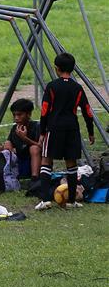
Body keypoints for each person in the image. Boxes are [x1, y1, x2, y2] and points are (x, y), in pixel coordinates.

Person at [36, 53, 96, 210]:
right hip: (72, 128)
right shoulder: (78, 88)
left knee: (46, 160)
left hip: (54, 128)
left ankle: (45, 200)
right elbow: (88, 111)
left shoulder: (52, 86)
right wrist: (91, 131)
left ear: (57, 69)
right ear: (73, 69)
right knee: (71, 163)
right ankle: (71, 201)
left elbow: (44, 111)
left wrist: (42, 132)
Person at [0, 98, 41, 181]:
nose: (16, 118)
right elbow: (10, 144)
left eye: (19, 115)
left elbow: (42, 147)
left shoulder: (37, 126)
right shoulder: (14, 129)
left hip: (32, 162)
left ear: (29, 114)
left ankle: (35, 179)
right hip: (17, 162)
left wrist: (25, 138)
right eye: (14, 115)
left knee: (34, 148)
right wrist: (7, 144)